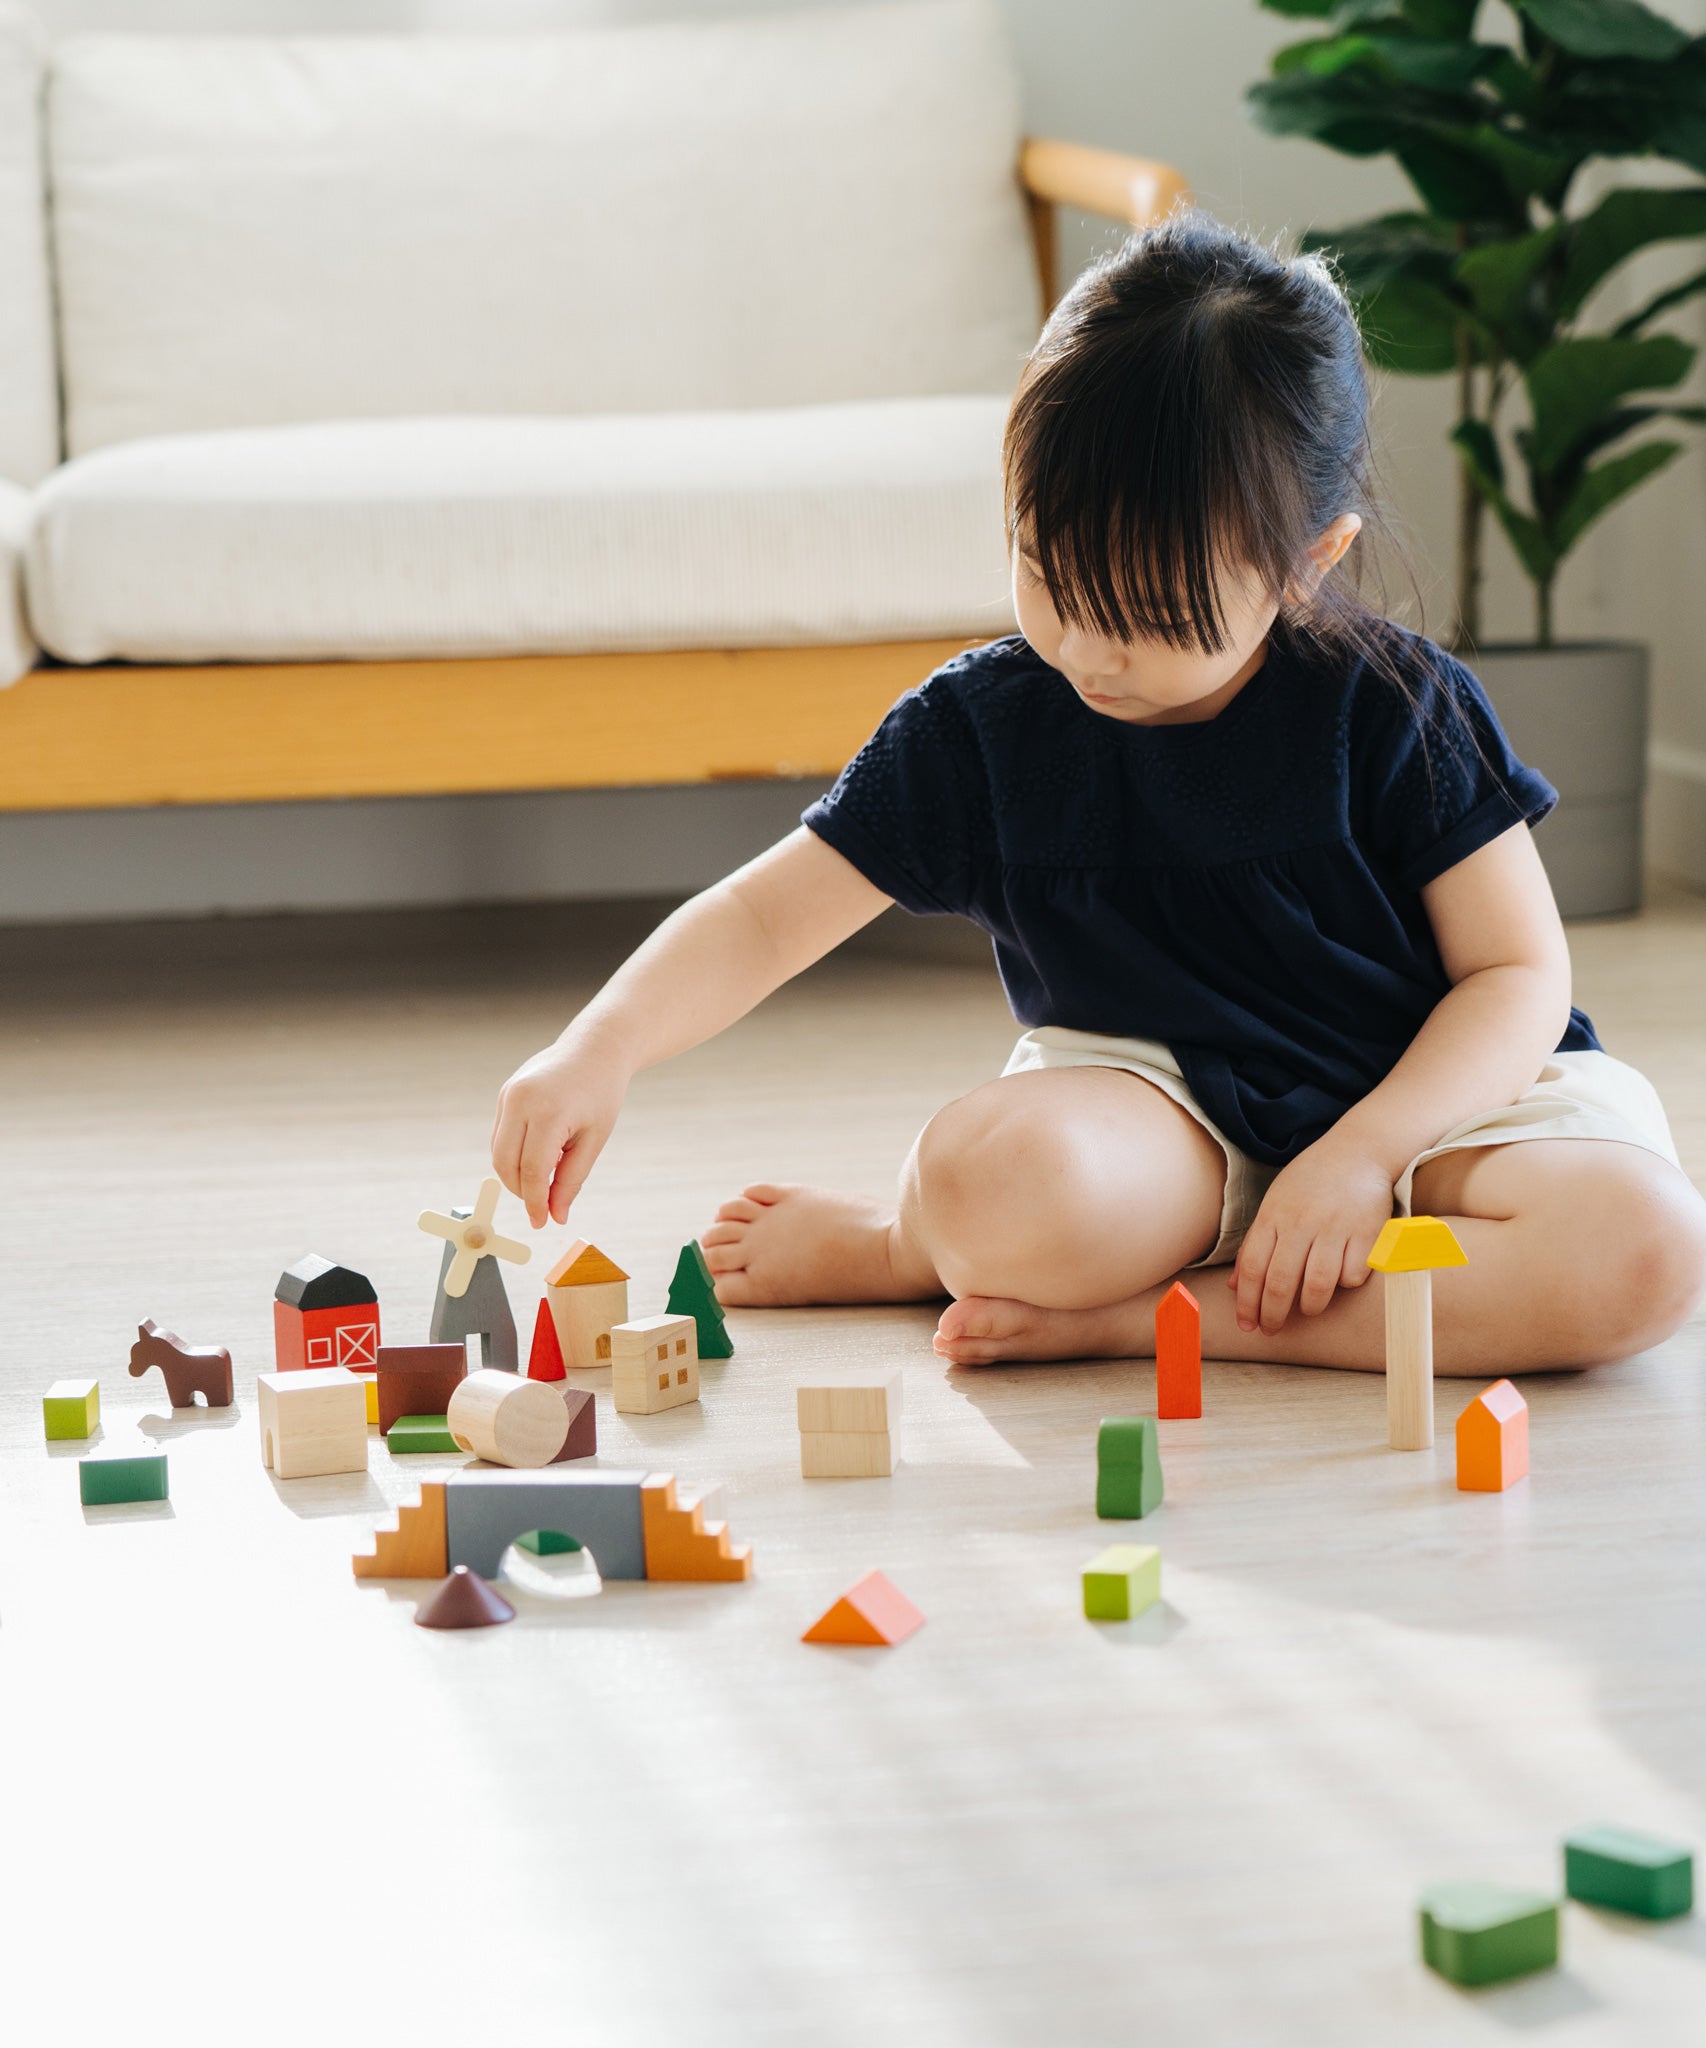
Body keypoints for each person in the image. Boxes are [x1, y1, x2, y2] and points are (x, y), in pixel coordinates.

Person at [491, 213, 1706, 1375]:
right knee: (989, 1176)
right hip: (1161, 1116)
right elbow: (765, 916)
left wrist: (1363, 1150)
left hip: (1435, 1107)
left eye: (1148, 613)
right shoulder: (982, 727)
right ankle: (911, 1242)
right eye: (1044, 573)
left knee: (1645, 1249)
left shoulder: (1392, 703)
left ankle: (1151, 1319)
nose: (1086, 649)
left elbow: (1515, 976)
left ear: (1305, 564)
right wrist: (600, 1047)